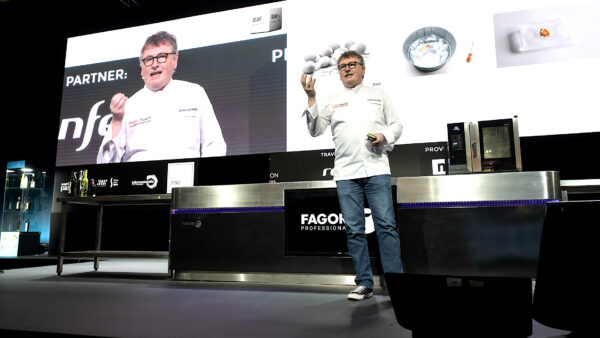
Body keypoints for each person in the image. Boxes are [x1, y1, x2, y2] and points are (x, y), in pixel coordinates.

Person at [300, 51, 404, 300]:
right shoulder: (333, 100)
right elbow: (315, 130)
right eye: (342, 66)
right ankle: (364, 283)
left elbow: (396, 125)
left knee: (387, 227)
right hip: (346, 173)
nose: (346, 69)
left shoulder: (378, 95)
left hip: (376, 169)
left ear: (363, 69)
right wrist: (312, 98)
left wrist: (384, 136)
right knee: (354, 230)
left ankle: (397, 284)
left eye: (352, 64)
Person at [97, 31, 226, 163]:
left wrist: (201, 177)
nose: (154, 64)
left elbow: (214, 145)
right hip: (139, 180)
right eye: (148, 60)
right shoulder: (129, 106)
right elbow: (105, 164)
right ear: (141, 68)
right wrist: (117, 121)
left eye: (161, 57)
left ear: (175, 60)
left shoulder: (195, 93)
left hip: (185, 179)